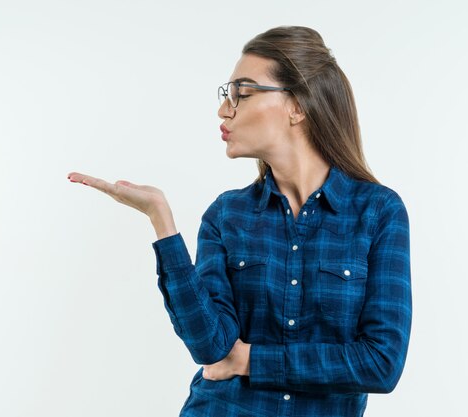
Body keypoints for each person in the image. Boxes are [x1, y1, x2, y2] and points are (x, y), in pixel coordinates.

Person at [67, 26, 411, 417]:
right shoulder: (227, 214)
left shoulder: (379, 212)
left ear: (298, 105)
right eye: (227, 95)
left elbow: (381, 364)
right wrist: (162, 221)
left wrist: (250, 360)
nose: (224, 109)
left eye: (243, 94)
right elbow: (211, 348)